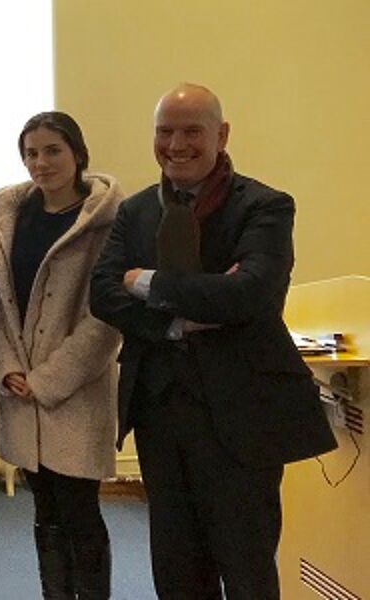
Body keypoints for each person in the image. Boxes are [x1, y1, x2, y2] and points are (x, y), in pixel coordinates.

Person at [89, 83, 336, 598]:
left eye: (191, 131)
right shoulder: (136, 211)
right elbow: (102, 295)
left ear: (221, 135)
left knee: (246, 566)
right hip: (159, 414)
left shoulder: (265, 207)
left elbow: (249, 296)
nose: (175, 144)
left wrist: (145, 281)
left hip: (243, 418)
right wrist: (175, 321)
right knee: (176, 570)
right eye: (164, 131)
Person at [0, 112, 123, 599]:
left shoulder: (106, 221)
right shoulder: (10, 217)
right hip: (21, 388)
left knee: (80, 511)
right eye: (31, 153)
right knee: (44, 511)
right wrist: (10, 368)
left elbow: (107, 317)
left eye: (52, 151)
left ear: (78, 154)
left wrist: (48, 380)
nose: (41, 163)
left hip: (75, 392)